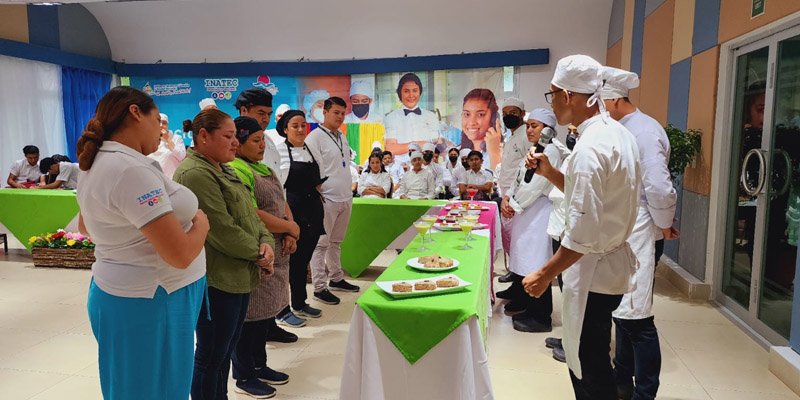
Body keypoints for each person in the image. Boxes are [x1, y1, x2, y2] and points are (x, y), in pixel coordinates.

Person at [76, 86, 209, 400]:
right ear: (136, 112)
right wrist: (202, 224)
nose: (161, 130)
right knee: (157, 389)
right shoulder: (130, 170)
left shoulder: (99, 160)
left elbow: (87, 226)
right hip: (153, 299)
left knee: (133, 386)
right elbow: (178, 255)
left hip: (130, 294)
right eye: (157, 120)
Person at [522, 54, 641, 400]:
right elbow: (589, 198)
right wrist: (550, 173)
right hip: (606, 266)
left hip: (592, 270)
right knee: (590, 353)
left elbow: (583, 232)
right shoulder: (615, 134)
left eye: (552, 94)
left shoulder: (590, 148)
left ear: (569, 96)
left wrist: (544, 273)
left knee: (589, 364)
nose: (553, 103)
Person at [173, 108, 276, 400]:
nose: (235, 143)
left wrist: (266, 243)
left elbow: (252, 217)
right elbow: (221, 229)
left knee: (224, 351)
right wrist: (259, 253)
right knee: (210, 354)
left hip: (238, 274)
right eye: (229, 136)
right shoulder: (195, 173)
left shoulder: (224, 168)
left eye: (236, 136)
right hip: (216, 278)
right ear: (203, 136)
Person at [601, 66, 678, 400]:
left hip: (640, 228)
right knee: (621, 312)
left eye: (600, 103)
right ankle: (621, 380)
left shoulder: (644, 131)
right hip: (622, 227)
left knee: (637, 317)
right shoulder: (622, 127)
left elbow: (659, 187)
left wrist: (663, 222)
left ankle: (645, 392)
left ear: (616, 99)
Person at [229, 116, 295, 398]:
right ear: (239, 142)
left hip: (278, 247)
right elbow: (254, 214)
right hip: (257, 250)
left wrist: (291, 230)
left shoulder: (263, 167)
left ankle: (260, 364)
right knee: (249, 317)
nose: (261, 146)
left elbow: (281, 202)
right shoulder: (237, 170)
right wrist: (288, 227)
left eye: (262, 140)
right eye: (255, 141)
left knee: (264, 315)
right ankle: (244, 375)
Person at [499, 109, 562, 333]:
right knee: (524, 261)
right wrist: (508, 197)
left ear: (548, 129)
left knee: (536, 262)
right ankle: (527, 305)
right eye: (528, 126)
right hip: (524, 212)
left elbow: (535, 187)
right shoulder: (534, 149)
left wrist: (513, 204)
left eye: (534, 126)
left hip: (538, 213)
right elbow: (518, 179)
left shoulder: (551, 151)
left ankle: (541, 317)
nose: (529, 130)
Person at [304, 97, 360, 305]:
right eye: (336, 112)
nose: (339, 117)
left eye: (342, 113)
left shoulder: (341, 136)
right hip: (327, 198)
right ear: (325, 112)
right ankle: (319, 287)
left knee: (336, 242)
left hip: (345, 196)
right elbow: (311, 169)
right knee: (321, 244)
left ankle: (336, 278)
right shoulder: (314, 137)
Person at [276, 110, 325, 321]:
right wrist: (287, 220)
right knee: (291, 261)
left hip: (313, 210)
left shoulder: (311, 150)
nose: (300, 129)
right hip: (293, 211)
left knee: (304, 259)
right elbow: (278, 188)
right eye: (294, 126)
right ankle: (282, 308)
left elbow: (319, 179)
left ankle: (299, 302)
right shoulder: (278, 152)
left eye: (303, 125)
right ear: (285, 129)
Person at [235, 88, 287, 186]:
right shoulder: (231, 140)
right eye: (261, 113)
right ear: (244, 110)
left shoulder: (269, 140)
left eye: (269, 114)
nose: (266, 119)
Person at [383, 73, 440, 155]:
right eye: (406, 91)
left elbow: (437, 144)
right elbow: (390, 149)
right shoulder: (391, 117)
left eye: (415, 90)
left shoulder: (431, 116)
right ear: (400, 93)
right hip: (400, 166)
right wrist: (418, 144)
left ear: (420, 92)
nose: (411, 95)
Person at [460, 89, 503, 170]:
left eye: (480, 114)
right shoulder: (458, 152)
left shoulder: (502, 152)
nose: (472, 122)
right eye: (467, 114)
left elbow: (498, 179)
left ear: (493, 118)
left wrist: (494, 152)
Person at [147, 113, 187, 179]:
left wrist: (167, 139)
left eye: (164, 123)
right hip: (155, 178)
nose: (161, 125)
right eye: (158, 122)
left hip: (172, 179)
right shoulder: (149, 139)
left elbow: (181, 156)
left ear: (167, 125)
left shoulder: (176, 138)